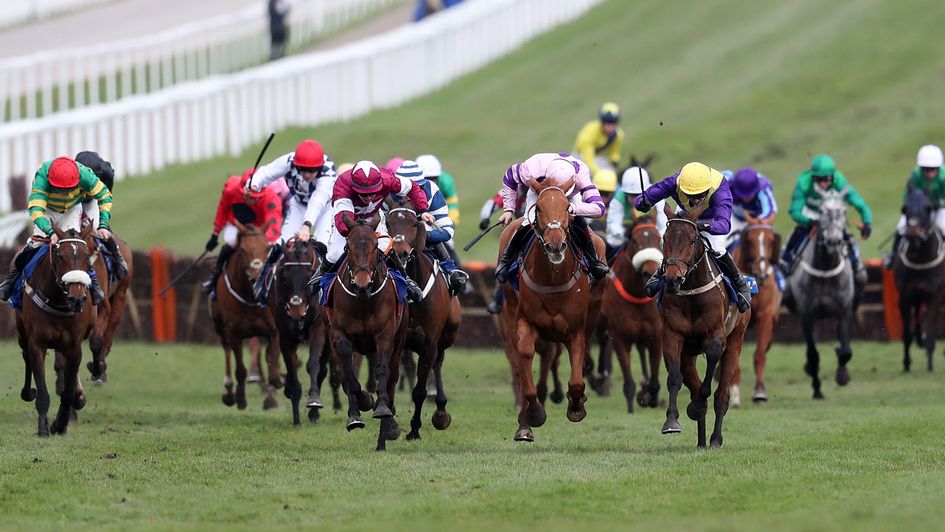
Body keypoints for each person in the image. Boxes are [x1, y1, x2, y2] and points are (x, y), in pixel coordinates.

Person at [634, 162, 751, 313]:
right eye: (691, 195)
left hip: (711, 220)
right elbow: (647, 195)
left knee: (717, 248)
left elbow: (723, 225)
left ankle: (739, 282)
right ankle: (660, 273)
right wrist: (642, 203)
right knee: (674, 241)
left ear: (708, 188)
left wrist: (702, 226)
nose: (696, 200)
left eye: (700, 195)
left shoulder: (720, 189)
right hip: (686, 215)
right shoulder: (675, 182)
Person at [312, 161, 435, 302]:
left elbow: (413, 187)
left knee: (386, 246)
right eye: (363, 194)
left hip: (373, 217)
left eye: (372, 193)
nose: (368, 198)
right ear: (354, 187)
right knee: (335, 253)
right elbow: (343, 222)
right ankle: (318, 278)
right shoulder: (342, 185)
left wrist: (423, 209)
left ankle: (406, 280)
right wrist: (360, 235)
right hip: (349, 221)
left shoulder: (388, 179)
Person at [0, 157, 114, 304]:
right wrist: (50, 232)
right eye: (60, 189)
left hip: (72, 209)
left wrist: (103, 224)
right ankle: (10, 281)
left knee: (75, 247)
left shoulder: (85, 175)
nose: (64, 193)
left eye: (68, 189)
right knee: (34, 245)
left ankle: (94, 284)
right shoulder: (42, 176)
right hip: (47, 209)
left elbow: (105, 196)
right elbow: (36, 211)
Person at [494, 153, 609, 283]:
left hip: (568, 197)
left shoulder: (580, 174)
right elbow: (509, 176)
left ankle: (593, 263)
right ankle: (506, 261)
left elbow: (599, 208)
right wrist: (509, 210)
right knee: (528, 221)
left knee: (579, 223)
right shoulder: (530, 169)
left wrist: (573, 209)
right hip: (540, 192)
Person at [248, 139, 337, 302]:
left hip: (325, 208)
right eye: (303, 169)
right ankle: (262, 284)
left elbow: (318, 201)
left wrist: (306, 225)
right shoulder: (289, 161)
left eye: (312, 170)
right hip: (299, 204)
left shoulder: (328, 171)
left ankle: (329, 289)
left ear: (319, 167)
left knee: (324, 246)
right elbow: (266, 173)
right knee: (281, 244)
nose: (307, 174)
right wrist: (252, 185)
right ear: (296, 165)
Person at [781, 154, 871, 284]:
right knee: (793, 241)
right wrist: (809, 222)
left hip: (832, 219)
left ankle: (856, 264)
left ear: (832, 177)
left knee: (849, 240)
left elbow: (860, 204)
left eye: (827, 179)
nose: (823, 183)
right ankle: (785, 266)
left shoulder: (840, 181)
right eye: (819, 179)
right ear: (813, 177)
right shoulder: (803, 182)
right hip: (811, 217)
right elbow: (794, 210)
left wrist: (867, 222)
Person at [391, 160, 469, 294]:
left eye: (418, 188)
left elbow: (447, 231)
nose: (412, 194)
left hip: (423, 234)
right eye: (407, 190)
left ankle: (450, 270)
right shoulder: (389, 194)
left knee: (427, 228)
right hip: (393, 238)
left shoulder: (431, 190)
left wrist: (422, 235)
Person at [201, 168, 284, 293]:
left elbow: (274, 225)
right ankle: (214, 278)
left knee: (275, 249)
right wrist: (215, 234)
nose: (253, 201)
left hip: (260, 230)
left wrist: (259, 240)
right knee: (230, 241)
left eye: (257, 197)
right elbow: (223, 209)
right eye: (249, 197)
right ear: (242, 191)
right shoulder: (231, 189)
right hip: (236, 225)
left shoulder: (271, 198)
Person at [75, 150, 128, 281]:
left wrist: (101, 222)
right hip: (73, 201)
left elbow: (106, 198)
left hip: (91, 201)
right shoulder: (69, 173)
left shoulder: (107, 173)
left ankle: (117, 256)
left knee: (99, 229)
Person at [891, 145, 945, 256]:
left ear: (938, 168)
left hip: (938, 209)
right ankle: (894, 256)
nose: (929, 173)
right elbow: (907, 196)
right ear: (921, 168)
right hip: (920, 210)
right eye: (926, 169)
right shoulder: (916, 175)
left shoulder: (943, 177)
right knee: (901, 227)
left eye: (933, 169)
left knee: (943, 227)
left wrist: (939, 203)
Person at [606, 166, 667, 255]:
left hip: (652, 236)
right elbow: (613, 225)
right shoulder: (618, 199)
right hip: (628, 237)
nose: (635, 199)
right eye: (631, 195)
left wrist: (654, 237)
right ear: (625, 193)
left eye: (638, 194)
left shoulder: (657, 197)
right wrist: (626, 233)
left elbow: (663, 227)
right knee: (613, 241)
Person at [723, 167, 778, 246]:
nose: (746, 198)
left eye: (749, 195)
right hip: (734, 218)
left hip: (758, 220)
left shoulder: (763, 187)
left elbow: (770, 212)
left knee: (768, 243)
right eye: (743, 195)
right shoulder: (727, 181)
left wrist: (754, 220)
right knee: (722, 242)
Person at [572, 102, 625, 178]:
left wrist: (614, 160)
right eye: (607, 122)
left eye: (613, 123)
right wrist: (600, 174)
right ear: (602, 122)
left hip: (598, 158)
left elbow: (614, 153)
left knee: (611, 172)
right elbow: (588, 159)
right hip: (580, 158)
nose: (610, 126)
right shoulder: (589, 131)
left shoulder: (618, 135)